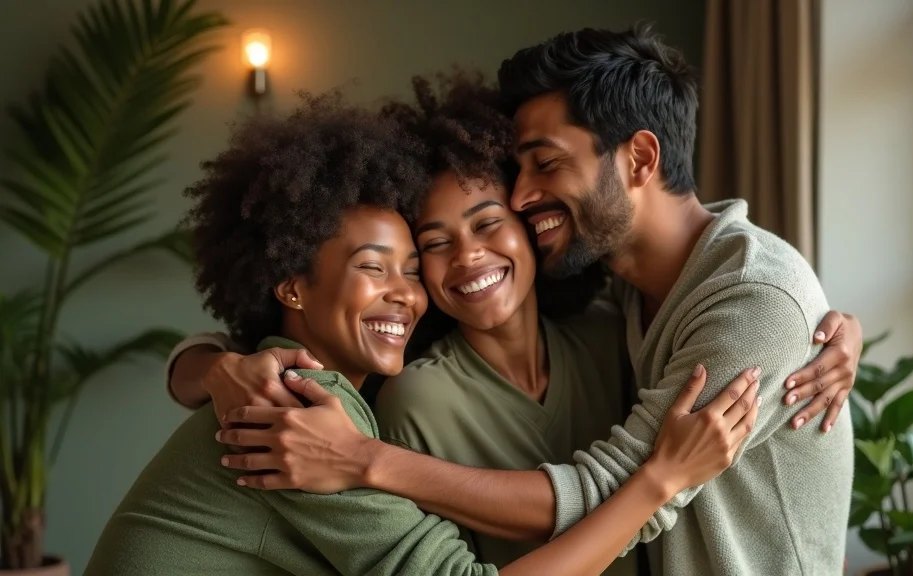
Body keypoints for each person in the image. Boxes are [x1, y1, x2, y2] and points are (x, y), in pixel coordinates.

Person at [200, 24, 858, 576]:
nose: (522, 197)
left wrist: (365, 461)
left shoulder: (749, 300)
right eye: (429, 245)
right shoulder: (630, 300)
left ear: (639, 158)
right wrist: (204, 366)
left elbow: (614, 491)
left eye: (544, 165)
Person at [83, 91, 760, 576]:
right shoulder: (299, 411)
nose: (407, 290)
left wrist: (822, 324)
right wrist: (661, 480)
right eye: (378, 266)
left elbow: (713, 293)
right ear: (289, 283)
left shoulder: (612, 326)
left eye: (408, 268)